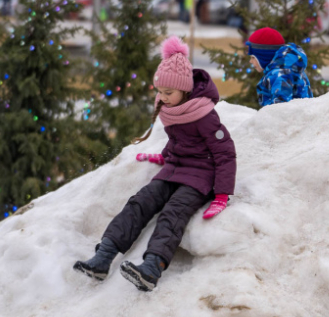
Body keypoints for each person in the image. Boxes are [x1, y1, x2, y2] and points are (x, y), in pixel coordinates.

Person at [73, 36, 236, 292]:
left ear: (184, 89)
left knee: (173, 213)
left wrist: (223, 193)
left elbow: (225, 152)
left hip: (199, 176)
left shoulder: (203, 114)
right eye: (159, 91)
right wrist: (164, 155)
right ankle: (103, 256)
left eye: (167, 93)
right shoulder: (172, 108)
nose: (162, 97)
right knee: (140, 202)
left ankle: (151, 267)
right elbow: (179, 139)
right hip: (174, 169)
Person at [245, 27, 313, 107]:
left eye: (253, 57)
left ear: (264, 57)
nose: (250, 61)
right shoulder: (287, 70)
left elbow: (280, 110)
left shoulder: (280, 75)